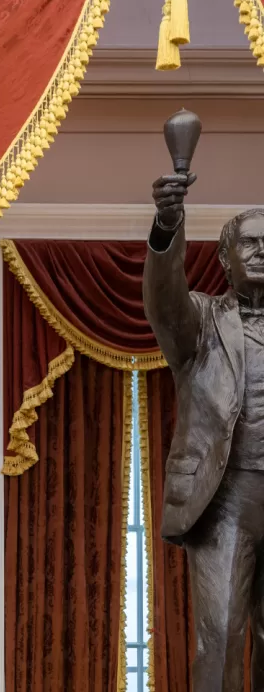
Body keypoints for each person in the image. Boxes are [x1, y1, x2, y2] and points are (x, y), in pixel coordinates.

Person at [145, 172, 264, 692]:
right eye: (250, 243)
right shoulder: (199, 322)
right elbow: (163, 297)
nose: (261, 252)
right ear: (224, 258)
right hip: (226, 499)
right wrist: (168, 224)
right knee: (217, 640)